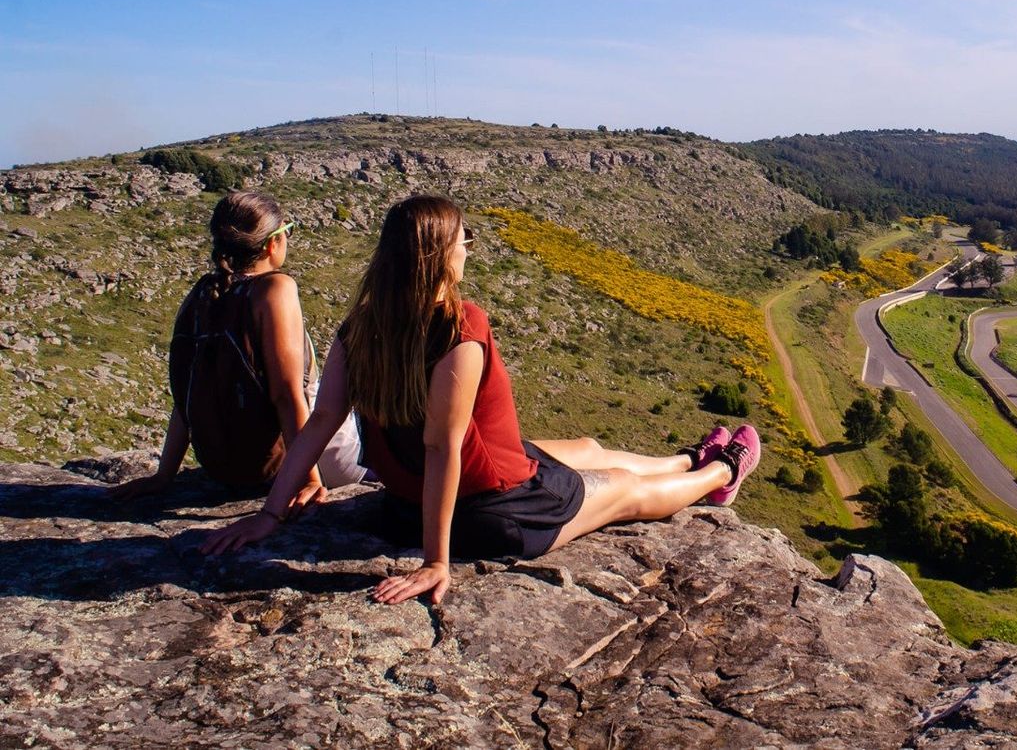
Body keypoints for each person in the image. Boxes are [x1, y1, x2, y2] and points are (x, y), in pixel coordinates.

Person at [201, 195, 759, 606]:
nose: (469, 249)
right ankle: (721, 473)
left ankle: (689, 456)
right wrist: (436, 562)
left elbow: (322, 421)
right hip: (494, 513)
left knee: (586, 446)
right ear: (443, 254)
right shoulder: (460, 328)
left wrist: (269, 516)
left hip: (405, 506)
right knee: (627, 491)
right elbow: (442, 448)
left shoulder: (360, 328)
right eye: (465, 240)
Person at [111, 191, 367, 505]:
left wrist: (166, 475)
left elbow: (186, 392)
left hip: (227, 470)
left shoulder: (203, 294)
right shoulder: (275, 289)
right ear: (272, 243)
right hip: (312, 458)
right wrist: (308, 479)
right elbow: (287, 396)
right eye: (287, 231)